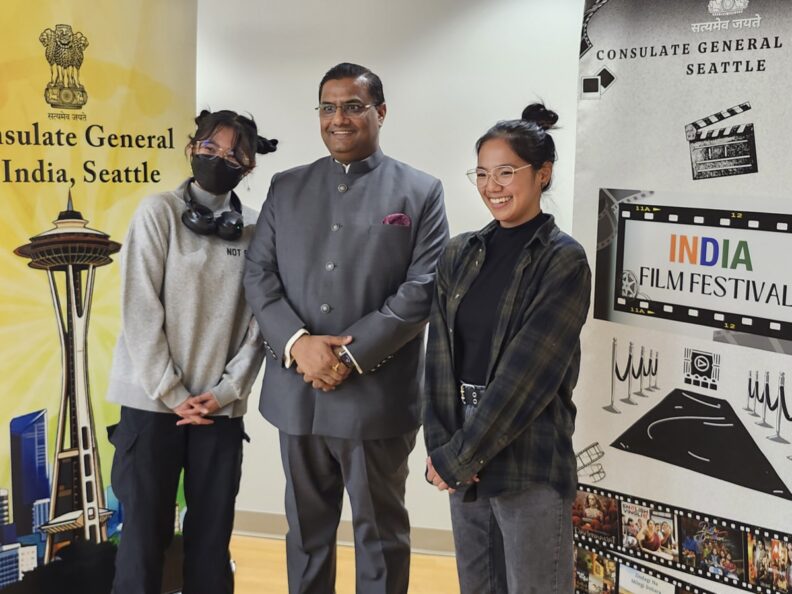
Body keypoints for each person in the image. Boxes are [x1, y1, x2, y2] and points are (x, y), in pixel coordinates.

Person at [243, 63, 448, 594]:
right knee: (306, 534)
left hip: (376, 397)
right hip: (296, 393)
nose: (339, 118)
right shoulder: (286, 187)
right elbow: (259, 273)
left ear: (380, 112)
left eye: (353, 106)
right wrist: (298, 344)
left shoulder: (421, 191)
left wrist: (346, 356)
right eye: (328, 107)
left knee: (379, 538)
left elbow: (421, 289)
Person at [422, 103, 591, 594]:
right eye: (482, 173)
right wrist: (441, 447)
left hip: (528, 458)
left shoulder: (563, 261)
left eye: (506, 172)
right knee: (478, 586)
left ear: (543, 174)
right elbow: (438, 360)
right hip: (461, 454)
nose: (492, 186)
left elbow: (528, 375)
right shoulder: (459, 252)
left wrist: (459, 457)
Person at [106, 109, 277, 594]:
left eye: (233, 152)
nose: (219, 157)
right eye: (210, 147)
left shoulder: (257, 229)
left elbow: (260, 324)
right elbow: (139, 310)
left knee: (210, 544)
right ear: (191, 147)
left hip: (218, 413)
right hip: (151, 406)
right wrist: (172, 390)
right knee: (141, 543)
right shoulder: (157, 213)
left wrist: (225, 393)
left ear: (250, 164)